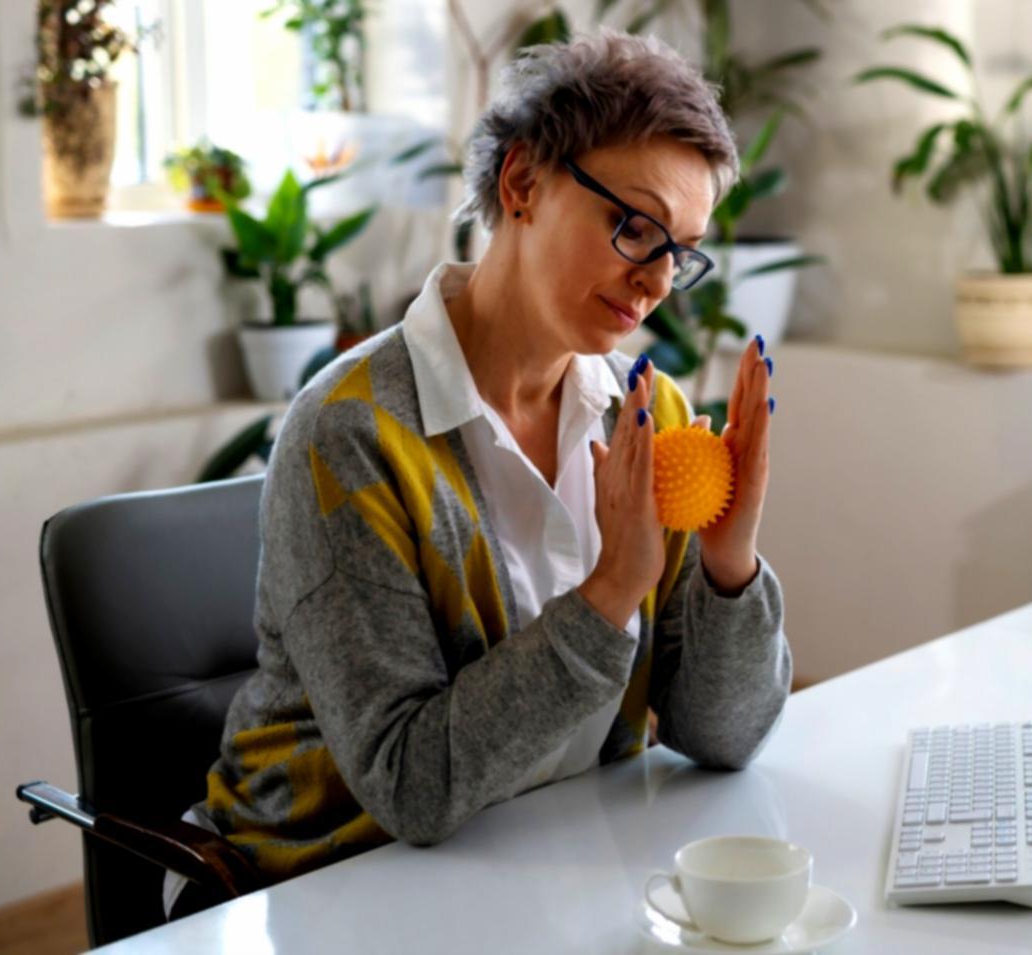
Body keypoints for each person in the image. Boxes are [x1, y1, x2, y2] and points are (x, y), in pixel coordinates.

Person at [164, 28, 791, 921]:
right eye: (635, 227)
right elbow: (410, 785)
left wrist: (730, 565)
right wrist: (614, 589)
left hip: (549, 864)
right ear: (523, 183)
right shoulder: (350, 433)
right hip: (317, 887)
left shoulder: (645, 415)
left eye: (680, 251)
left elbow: (723, 736)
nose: (655, 282)